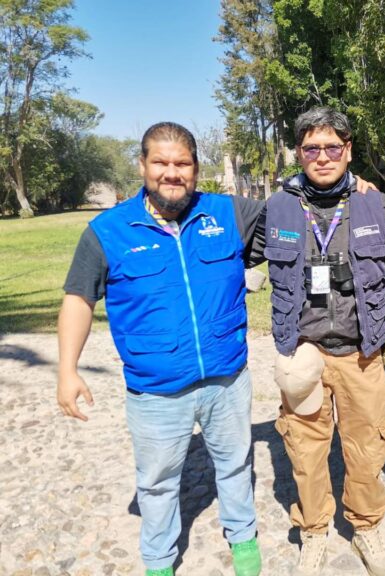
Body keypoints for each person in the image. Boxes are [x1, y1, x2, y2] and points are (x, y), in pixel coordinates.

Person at [57, 122, 264, 576]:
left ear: (195, 167)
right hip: (155, 394)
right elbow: (78, 298)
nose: (172, 173)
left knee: (235, 465)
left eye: (183, 163)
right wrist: (67, 370)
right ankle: (159, 561)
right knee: (156, 484)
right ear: (143, 165)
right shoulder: (108, 231)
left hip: (228, 378)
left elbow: (291, 211)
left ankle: (244, 538)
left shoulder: (227, 213)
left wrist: (356, 186)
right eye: (161, 162)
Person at [249, 107, 385, 576]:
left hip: (362, 351)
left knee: (365, 446)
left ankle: (365, 527)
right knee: (306, 449)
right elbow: (239, 256)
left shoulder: (373, 201)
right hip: (303, 351)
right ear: (299, 153)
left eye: (332, 147)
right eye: (312, 148)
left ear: (348, 151)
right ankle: (314, 532)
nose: (322, 156)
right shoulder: (278, 206)